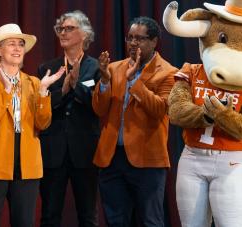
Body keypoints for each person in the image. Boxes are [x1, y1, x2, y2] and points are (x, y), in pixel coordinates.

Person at [92, 16, 177, 226]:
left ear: (154, 41)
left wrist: (134, 81)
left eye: (139, 39)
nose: (133, 43)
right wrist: (103, 81)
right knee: (116, 221)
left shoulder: (169, 73)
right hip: (112, 159)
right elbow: (99, 109)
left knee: (150, 221)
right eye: (130, 38)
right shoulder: (113, 69)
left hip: (147, 160)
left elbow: (160, 110)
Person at [0, 23, 64, 227]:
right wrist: (5, 91)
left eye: (20, 44)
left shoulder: (33, 83)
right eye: (11, 43)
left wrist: (43, 93)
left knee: (24, 222)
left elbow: (43, 123)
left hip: (27, 163)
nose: (17, 48)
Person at [38, 10, 100, 227]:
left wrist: (77, 86)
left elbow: (100, 107)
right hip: (53, 151)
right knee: (49, 215)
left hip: (85, 151)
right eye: (60, 29)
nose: (63, 33)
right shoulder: (47, 68)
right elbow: (41, 108)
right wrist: (62, 91)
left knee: (88, 215)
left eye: (69, 28)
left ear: (84, 34)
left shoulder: (97, 67)